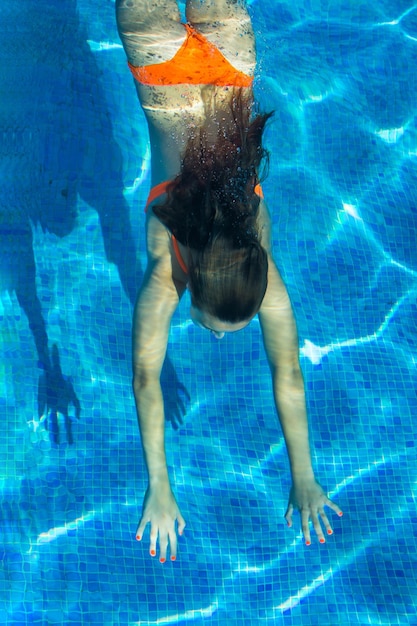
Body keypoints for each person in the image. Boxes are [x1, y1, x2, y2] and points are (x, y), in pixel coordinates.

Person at [115, 0, 343, 563]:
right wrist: (160, 487)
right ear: (192, 288)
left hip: (232, 63)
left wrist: (305, 476)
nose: (216, 336)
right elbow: (145, 379)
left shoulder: (260, 261)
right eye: (215, 326)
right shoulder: (166, 272)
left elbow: (288, 371)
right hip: (161, 72)